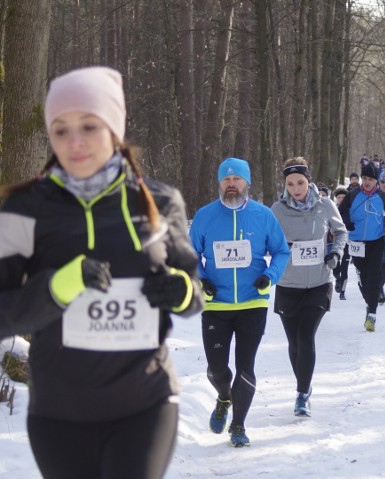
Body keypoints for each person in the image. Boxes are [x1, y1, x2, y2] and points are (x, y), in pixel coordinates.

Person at [0, 66, 204, 478]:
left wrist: (180, 291)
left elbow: (194, 293)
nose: (74, 142)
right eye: (60, 130)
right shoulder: (23, 209)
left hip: (145, 404)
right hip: (59, 413)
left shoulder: (160, 201)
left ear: (114, 129)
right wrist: (58, 287)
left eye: (89, 126)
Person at [189, 157, 291, 447]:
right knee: (216, 369)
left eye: (236, 179)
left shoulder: (263, 216)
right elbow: (189, 253)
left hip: (252, 304)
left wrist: (269, 277)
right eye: (226, 179)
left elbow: (282, 252)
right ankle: (223, 398)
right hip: (216, 304)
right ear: (220, 184)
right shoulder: (205, 216)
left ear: (248, 183)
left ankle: (238, 425)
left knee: (246, 366)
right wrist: (201, 278)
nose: (231, 184)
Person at [271, 158, 347, 417]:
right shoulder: (277, 210)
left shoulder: (325, 205)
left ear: (309, 181)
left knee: (305, 336)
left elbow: (341, 232)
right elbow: (267, 241)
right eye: (290, 184)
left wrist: (335, 254)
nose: (296, 188)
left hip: (319, 281)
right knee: (294, 343)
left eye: (300, 182)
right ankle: (304, 384)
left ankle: (302, 394)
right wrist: (282, 249)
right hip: (288, 282)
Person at [339, 162, 385, 331]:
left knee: (374, 277)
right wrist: (347, 221)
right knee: (363, 278)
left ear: (376, 180)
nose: (367, 182)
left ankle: (372, 313)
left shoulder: (382, 196)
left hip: (376, 241)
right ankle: (370, 303)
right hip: (356, 242)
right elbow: (341, 210)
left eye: (370, 179)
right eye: (364, 178)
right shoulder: (353, 195)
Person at [332, 187, 352, 300]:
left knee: (345, 266)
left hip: (348, 242)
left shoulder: (351, 209)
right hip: (336, 241)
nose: (341, 199)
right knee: (335, 265)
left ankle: (343, 292)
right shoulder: (333, 209)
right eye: (339, 197)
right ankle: (337, 277)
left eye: (343, 197)